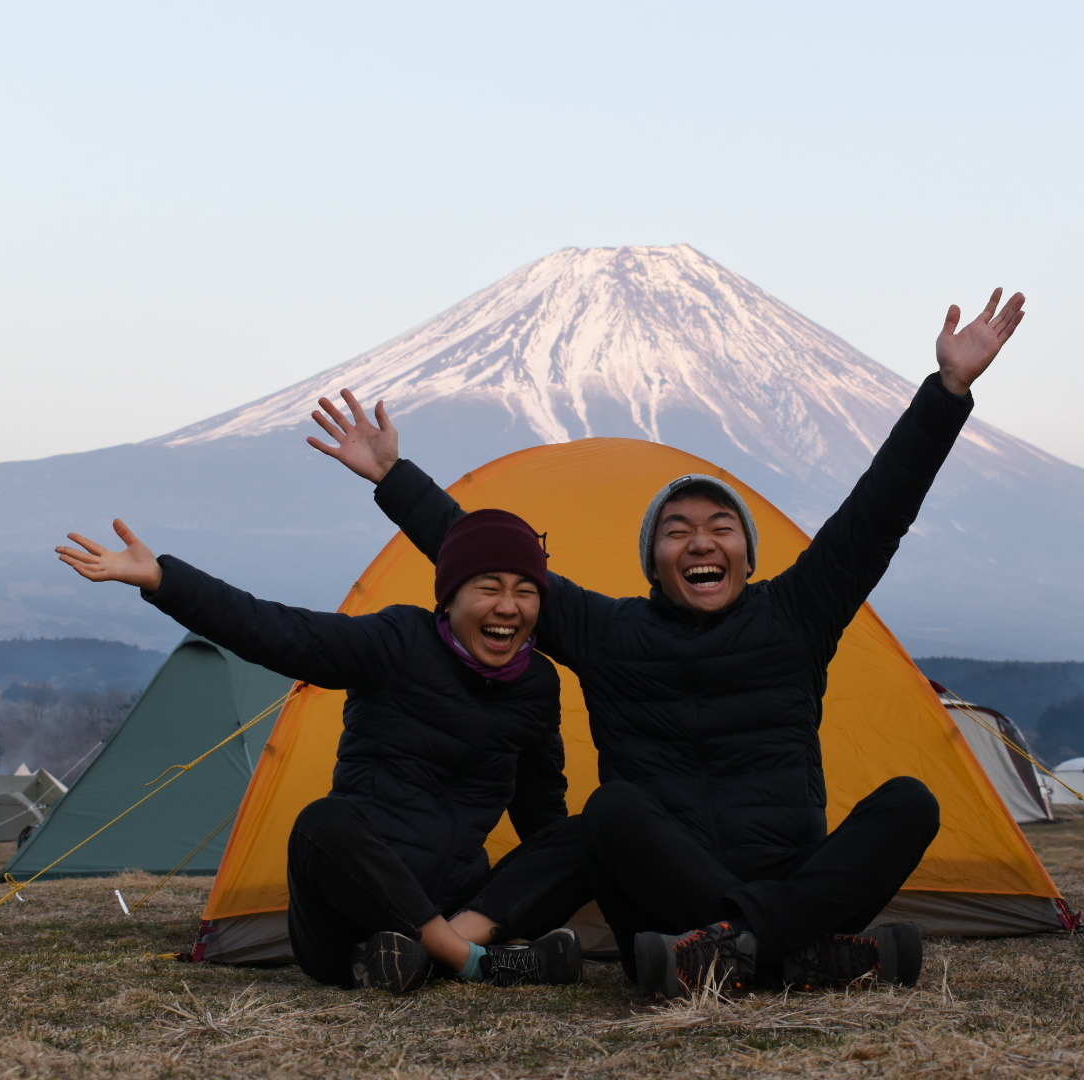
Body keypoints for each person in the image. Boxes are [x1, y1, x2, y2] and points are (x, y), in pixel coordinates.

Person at [308, 288, 1026, 997]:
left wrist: (947, 392)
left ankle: (738, 951)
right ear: (653, 563)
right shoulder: (608, 632)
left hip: (771, 887)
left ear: (747, 554)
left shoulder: (797, 614)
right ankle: (791, 953)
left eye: (721, 528)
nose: (701, 543)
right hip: (662, 904)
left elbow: (878, 514)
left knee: (910, 803)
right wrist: (393, 478)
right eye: (677, 532)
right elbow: (483, 556)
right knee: (612, 810)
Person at [55, 509, 588, 993]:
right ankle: (472, 962)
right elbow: (281, 633)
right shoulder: (399, 641)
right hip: (349, 913)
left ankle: (431, 953)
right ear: (449, 597)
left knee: (588, 832)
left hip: (460, 902)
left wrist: (551, 875)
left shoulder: (536, 685)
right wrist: (164, 581)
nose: (507, 607)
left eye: (526, 592)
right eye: (489, 588)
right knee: (322, 823)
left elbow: (541, 811)